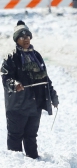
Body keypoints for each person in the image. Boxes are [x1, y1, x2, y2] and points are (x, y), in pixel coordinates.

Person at [1, 20, 59, 159]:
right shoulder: (11, 57)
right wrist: (14, 84)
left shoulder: (37, 56)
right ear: (16, 39)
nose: (26, 38)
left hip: (35, 104)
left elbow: (45, 79)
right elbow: (5, 77)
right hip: (17, 106)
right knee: (15, 137)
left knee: (31, 136)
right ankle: (15, 167)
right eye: (22, 36)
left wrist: (53, 96)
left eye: (28, 36)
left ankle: (34, 160)